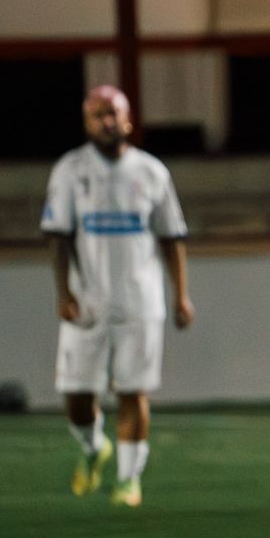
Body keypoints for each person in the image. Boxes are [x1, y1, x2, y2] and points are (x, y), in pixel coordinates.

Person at [41, 85, 194, 508]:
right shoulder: (70, 170)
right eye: (97, 115)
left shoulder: (152, 172)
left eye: (113, 113)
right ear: (86, 123)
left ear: (128, 119)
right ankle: (94, 448)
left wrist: (181, 295)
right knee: (76, 398)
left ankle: (129, 481)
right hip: (87, 304)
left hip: (140, 303)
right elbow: (57, 236)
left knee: (133, 391)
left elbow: (172, 238)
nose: (106, 122)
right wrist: (64, 292)